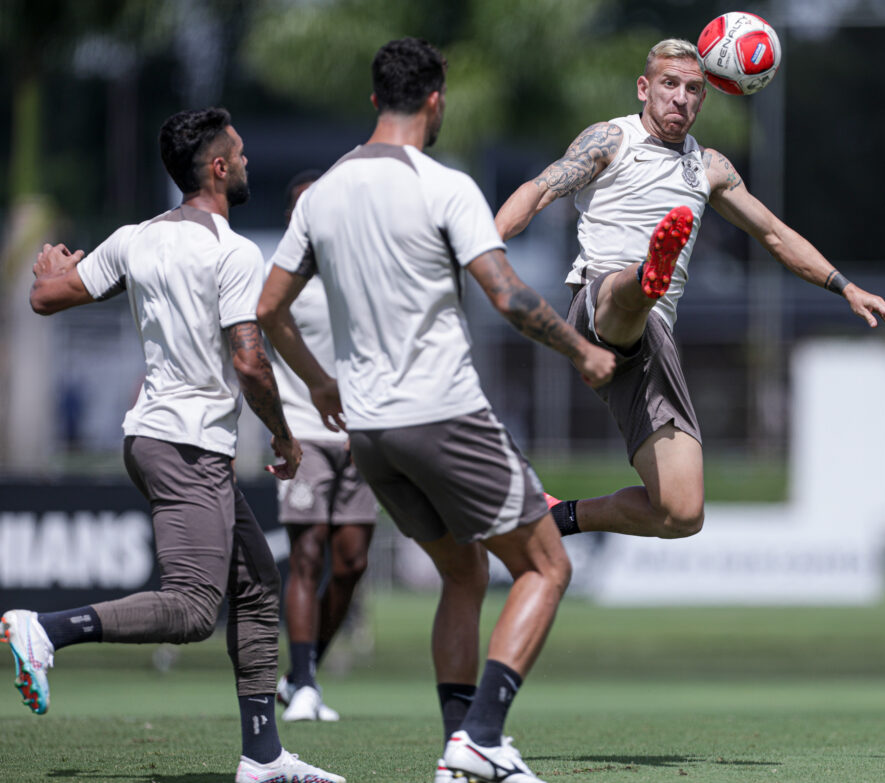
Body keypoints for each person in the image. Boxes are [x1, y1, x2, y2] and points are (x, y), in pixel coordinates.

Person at [258, 37, 615, 783]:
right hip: (443, 413)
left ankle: (459, 753)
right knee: (546, 565)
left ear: (372, 100)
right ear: (435, 101)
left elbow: (269, 310)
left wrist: (321, 385)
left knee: (461, 571)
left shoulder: (321, 192)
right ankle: (483, 732)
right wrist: (583, 354)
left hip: (372, 431)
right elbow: (509, 295)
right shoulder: (443, 185)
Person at [5, 108, 343, 783]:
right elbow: (250, 361)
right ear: (217, 168)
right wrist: (282, 431)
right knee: (192, 607)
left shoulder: (136, 238)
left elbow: (45, 296)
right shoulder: (233, 251)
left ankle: (263, 755)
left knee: (254, 585)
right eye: (239, 153)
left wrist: (52, 265)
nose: (246, 162)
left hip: (155, 436)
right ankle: (45, 628)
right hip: (185, 442)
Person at [495, 38, 885, 541]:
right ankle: (649, 272)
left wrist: (846, 287)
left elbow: (774, 234)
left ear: (704, 98)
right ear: (644, 88)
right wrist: (485, 243)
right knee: (631, 292)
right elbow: (539, 190)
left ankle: (554, 515)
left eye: (693, 89)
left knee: (681, 515)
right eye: (670, 85)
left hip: (652, 344)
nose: (681, 98)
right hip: (596, 306)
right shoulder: (609, 140)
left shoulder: (710, 168)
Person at [268, 169, 377, 723]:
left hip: (360, 437)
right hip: (305, 436)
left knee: (353, 561)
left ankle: (298, 678)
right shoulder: (279, 280)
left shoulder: (360, 274)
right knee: (308, 554)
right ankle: (307, 680)